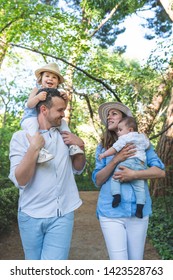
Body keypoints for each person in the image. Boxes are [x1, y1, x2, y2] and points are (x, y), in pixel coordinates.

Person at [9, 88, 86, 260]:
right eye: (59, 110)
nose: (63, 115)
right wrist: (34, 148)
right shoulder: (20, 138)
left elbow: (78, 169)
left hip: (62, 213)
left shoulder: (65, 136)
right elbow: (20, 180)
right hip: (30, 215)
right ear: (44, 109)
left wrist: (81, 147)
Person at [92, 101, 165, 260]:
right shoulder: (103, 147)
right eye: (107, 115)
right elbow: (97, 180)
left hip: (138, 212)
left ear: (125, 121)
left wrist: (134, 175)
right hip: (110, 212)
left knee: (135, 262)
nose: (109, 117)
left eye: (114, 114)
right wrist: (116, 159)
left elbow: (160, 172)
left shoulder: (142, 144)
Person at [21, 62, 84, 163]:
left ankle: (72, 146)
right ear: (41, 79)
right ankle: (40, 151)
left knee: (63, 123)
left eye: (54, 77)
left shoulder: (58, 93)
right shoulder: (37, 89)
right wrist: (37, 97)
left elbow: (61, 109)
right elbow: (29, 105)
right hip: (31, 116)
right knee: (33, 127)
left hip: (49, 121)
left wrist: (66, 99)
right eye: (47, 76)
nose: (50, 79)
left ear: (58, 82)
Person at [99, 116, 150, 218]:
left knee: (116, 177)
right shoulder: (142, 137)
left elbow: (114, 149)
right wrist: (145, 138)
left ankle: (116, 195)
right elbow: (147, 146)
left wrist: (104, 155)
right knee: (140, 188)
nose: (118, 132)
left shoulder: (125, 137)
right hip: (140, 164)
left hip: (128, 162)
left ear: (130, 130)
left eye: (120, 130)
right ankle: (139, 208)